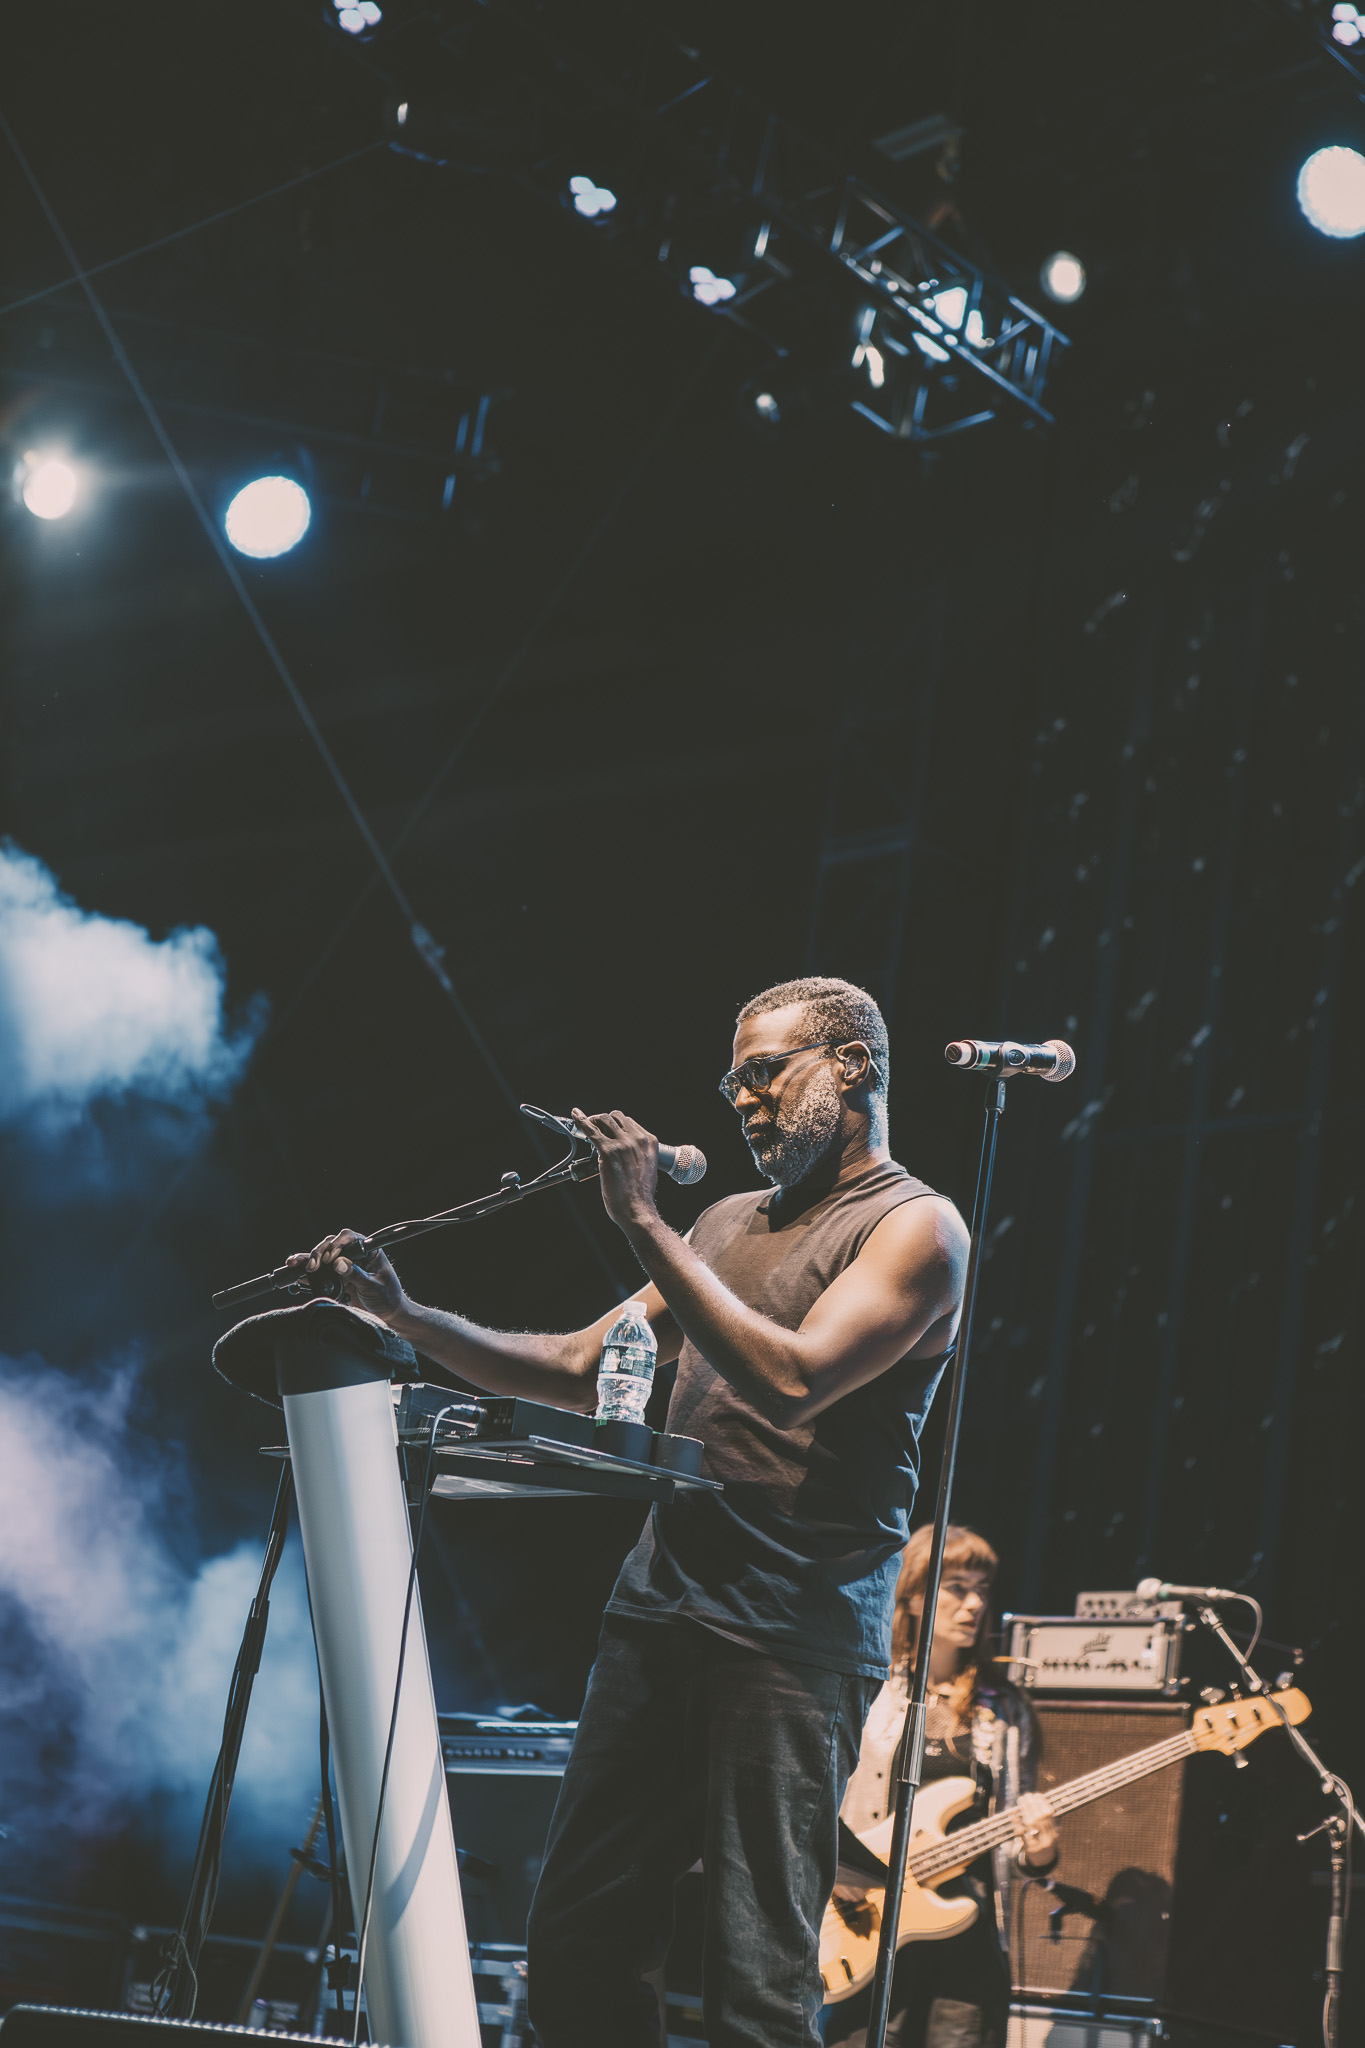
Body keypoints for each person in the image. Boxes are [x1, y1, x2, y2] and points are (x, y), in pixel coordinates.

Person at [290, 976, 969, 2048]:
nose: (743, 1101)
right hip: (659, 1610)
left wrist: (644, 1221)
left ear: (851, 1065)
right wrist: (405, 1315)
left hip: (789, 1635)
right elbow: (577, 1366)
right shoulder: (726, 1223)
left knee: (757, 1980)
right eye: (731, 1083)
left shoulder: (914, 1227)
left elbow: (793, 1380)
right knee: (580, 1941)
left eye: (764, 1073)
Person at [824, 1525, 1058, 2048]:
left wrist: (1040, 1850)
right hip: (868, 1921)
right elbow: (820, 1794)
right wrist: (836, 1866)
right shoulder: (867, 1687)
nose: (974, 1604)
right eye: (956, 1588)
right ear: (911, 1596)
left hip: (967, 1938)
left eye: (982, 1590)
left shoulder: (1005, 1707)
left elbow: (1017, 1840)